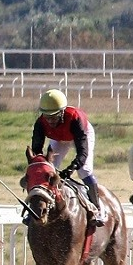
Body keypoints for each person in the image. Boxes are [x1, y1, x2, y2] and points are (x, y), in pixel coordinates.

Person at [32, 88, 106, 226]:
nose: (50, 121)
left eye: (53, 117)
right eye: (47, 117)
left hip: (81, 135)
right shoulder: (40, 123)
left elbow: (82, 153)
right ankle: (40, 208)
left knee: (84, 170)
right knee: (48, 170)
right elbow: (37, 152)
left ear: (62, 112)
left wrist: (71, 168)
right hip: (59, 139)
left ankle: (98, 209)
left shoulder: (74, 119)